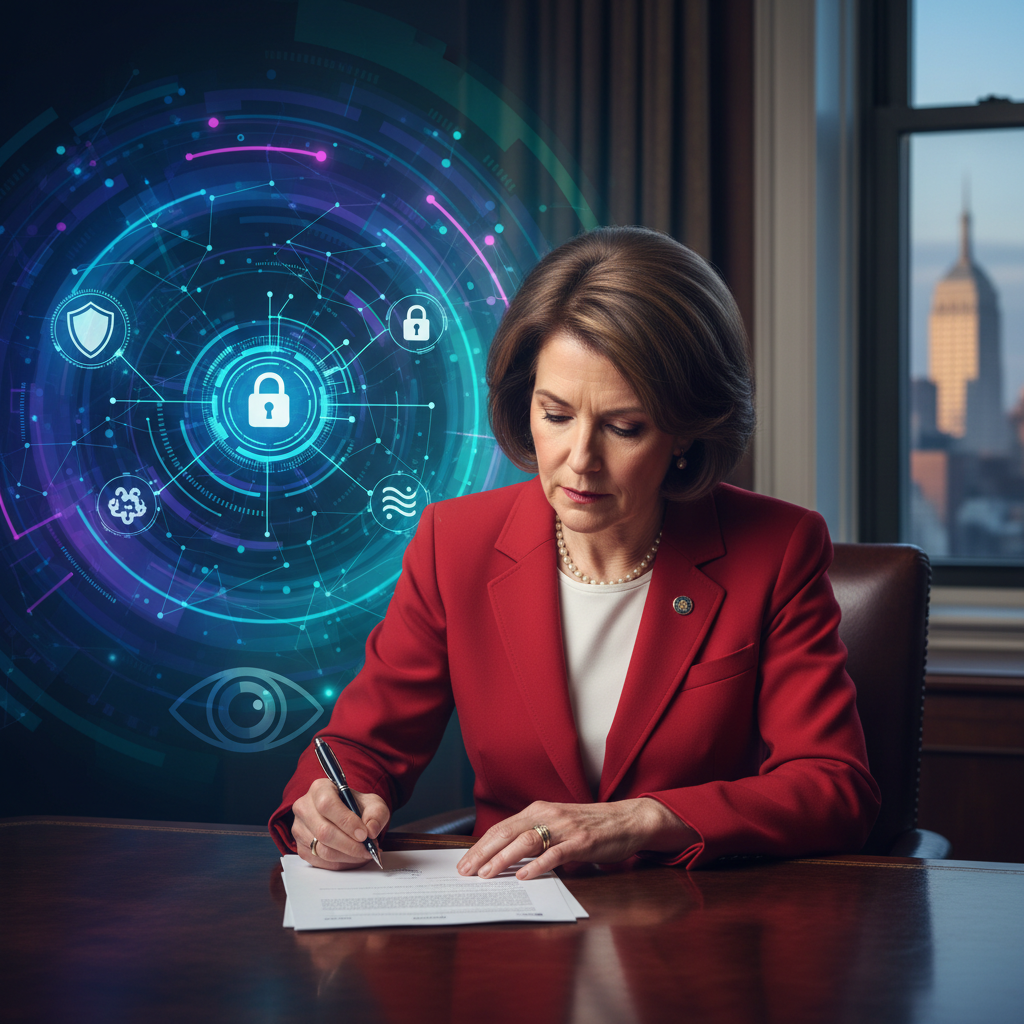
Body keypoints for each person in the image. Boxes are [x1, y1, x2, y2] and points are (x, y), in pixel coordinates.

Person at [269, 226, 880, 877]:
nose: (579, 461)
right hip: (508, 931)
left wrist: (642, 817)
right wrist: (329, 808)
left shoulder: (778, 548)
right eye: (556, 415)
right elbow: (362, 747)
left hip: (694, 932)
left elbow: (833, 785)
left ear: (685, 432)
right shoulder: (456, 543)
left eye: (624, 427)